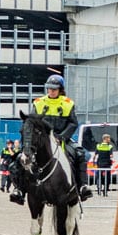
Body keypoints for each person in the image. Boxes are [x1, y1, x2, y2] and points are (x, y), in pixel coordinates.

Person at [24, 74, 90, 203]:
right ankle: (19, 189)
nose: (51, 91)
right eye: (49, 88)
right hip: (42, 140)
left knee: (80, 153)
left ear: (60, 89)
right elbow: (32, 121)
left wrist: (62, 136)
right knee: (22, 157)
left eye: (54, 89)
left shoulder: (68, 103)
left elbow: (73, 123)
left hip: (62, 138)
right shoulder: (38, 103)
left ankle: (82, 186)